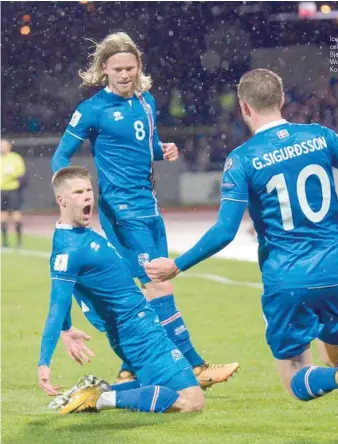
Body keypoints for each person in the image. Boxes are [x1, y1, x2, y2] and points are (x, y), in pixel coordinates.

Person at [145, 69, 338, 422]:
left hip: (287, 278)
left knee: (295, 374)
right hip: (333, 271)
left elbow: (225, 231)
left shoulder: (243, 159)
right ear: (282, 100)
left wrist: (178, 265)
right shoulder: (320, 136)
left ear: (244, 108)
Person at [51, 32, 238, 387]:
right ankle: (195, 367)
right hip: (122, 211)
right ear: (104, 68)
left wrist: (162, 150)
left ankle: (131, 366)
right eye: (118, 69)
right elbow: (61, 156)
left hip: (149, 207)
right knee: (158, 283)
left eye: (131, 68)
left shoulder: (147, 101)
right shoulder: (91, 110)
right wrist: (73, 194)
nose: (125, 75)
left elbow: (147, 146)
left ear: (139, 68)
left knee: (134, 290)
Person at [39, 166, 204, 415]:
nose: (87, 196)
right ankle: (99, 398)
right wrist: (44, 361)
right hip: (137, 332)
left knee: (162, 388)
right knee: (192, 401)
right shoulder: (70, 249)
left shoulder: (77, 235)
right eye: (77, 192)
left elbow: (70, 290)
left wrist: (67, 328)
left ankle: (101, 393)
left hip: (137, 326)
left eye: (88, 190)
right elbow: (57, 304)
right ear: (61, 200)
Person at [1, 139, 26, 248]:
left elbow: (21, 173)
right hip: (1, 190)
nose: (2, 147)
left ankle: (19, 242)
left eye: (4, 145)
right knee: (2, 216)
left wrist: (12, 173)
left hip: (13, 189)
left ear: (9, 147)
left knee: (16, 215)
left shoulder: (15, 158)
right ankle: (5, 242)